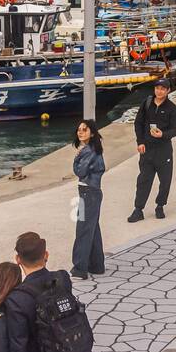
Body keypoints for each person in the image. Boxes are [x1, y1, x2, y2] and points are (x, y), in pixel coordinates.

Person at [5, 232, 93, 352]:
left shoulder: (17, 299)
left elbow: (18, 350)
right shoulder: (62, 280)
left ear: (18, 259)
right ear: (46, 254)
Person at [130, 79, 176, 222]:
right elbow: (138, 123)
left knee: (165, 180)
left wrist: (163, 134)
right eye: (157, 88)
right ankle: (138, 209)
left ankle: (160, 205)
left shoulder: (172, 108)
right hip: (147, 149)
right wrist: (140, 142)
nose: (159, 91)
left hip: (163, 150)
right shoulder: (146, 104)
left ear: (168, 91)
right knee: (143, 180)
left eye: (162, 89)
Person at [70, 119, 106, 279]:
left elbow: (80, 171)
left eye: (84, 130)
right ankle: (97, 265)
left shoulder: (88, 150)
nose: (80, 132)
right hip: (91, 192)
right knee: (93, 229)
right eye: (79, 130)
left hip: (88, 193)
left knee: (83, 229)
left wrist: (76, 158)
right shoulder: (93, 149)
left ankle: (80, 268)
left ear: (92, 133)